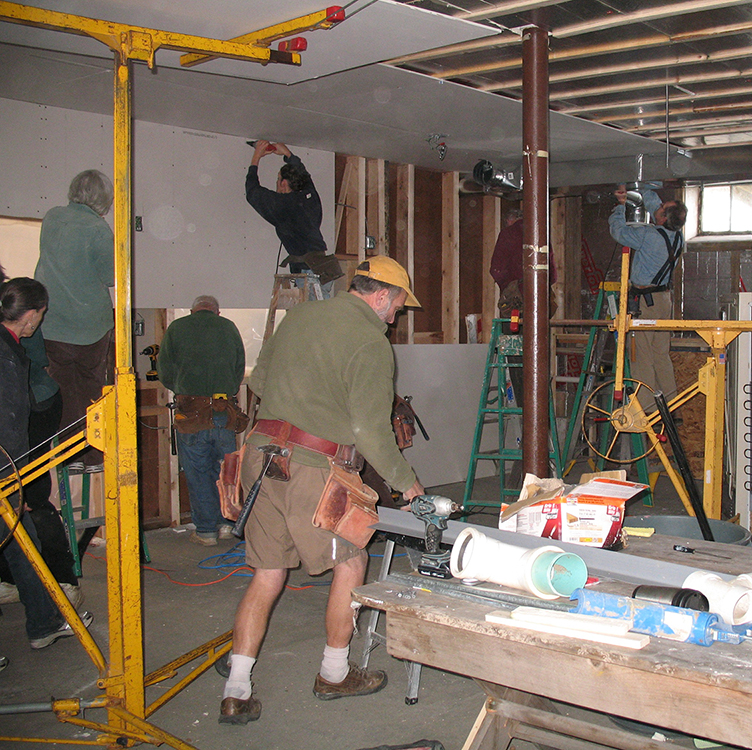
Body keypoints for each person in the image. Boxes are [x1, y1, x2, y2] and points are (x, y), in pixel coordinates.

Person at [219, 255, 425, 725]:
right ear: (379, 296)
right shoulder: (371, 343)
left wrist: (303, 396)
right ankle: (334, 673)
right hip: (312, 468)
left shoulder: (302, 314)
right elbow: (371, 432)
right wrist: (409, 486)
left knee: (268, 573)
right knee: (352, 560)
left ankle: (236, 689)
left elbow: (259, 380)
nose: (395, 317)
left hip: (259, 457)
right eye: (396, 306)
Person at [0, 277, 92, 649]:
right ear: (33, 317)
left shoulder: (10, 348)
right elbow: (9, 419)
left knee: (23, 543)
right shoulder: (7, 355)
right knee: (23, 540)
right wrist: (14, 478)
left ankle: (43, 623)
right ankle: (44, 621)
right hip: (5, 465)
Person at [34, 169, 115, 473]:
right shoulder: (98, 229)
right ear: (104, 199)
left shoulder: (52, 217)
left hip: (52, 322)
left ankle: (69, 458)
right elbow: (109, 276)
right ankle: (94, 457)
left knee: (64, 392)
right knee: (93, 391)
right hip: (91, 324)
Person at [0, 325, 82, 609]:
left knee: (31, 499)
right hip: (19, 416)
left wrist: (18, 474)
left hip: (35, 407)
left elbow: (35, 360)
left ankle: (61, 581)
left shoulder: (14, 323)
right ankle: (10, 581)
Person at [157, 295, 247, 546]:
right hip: (223, 412)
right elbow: (239, 368)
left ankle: (207, 531)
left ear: (192, 310)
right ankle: (229, 524)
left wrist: (183, 389)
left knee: (197, 472)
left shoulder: (177, 328)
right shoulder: (228, 327)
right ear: (216, 312)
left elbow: (164, 371)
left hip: (192, 414)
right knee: (225, 471)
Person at [609, 185, 688, 409]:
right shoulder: (677, 236)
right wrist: (639, 188)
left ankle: (647, 411)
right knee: (661, 354)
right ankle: (671, 406)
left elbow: (619, 232)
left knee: (641, 355)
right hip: (663, 300)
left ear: (662, 218)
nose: (658, 207)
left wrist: (620, 207)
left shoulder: (649, 235)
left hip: (645, 302)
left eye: (662, 208)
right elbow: (655, 205)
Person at [245, 140, 343, 296]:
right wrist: (288, 154)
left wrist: (256, 157)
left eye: (278, 179)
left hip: (309, 272)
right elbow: (304, 175)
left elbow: (252, 192)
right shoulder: (309, 196)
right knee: (317, 314)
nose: (277, 183)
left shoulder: (284, 204)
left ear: (283, 183)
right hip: (322, 268)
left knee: (312, 317)